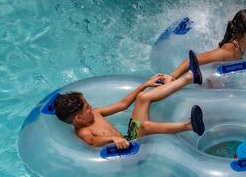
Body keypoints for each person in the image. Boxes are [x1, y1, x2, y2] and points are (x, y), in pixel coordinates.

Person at [55, 51, 204, 149]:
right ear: (78, 118)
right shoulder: (83, 131)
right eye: (87, 107)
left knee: (142, 97)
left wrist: (145, 85)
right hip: (129, 150)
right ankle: (190, 125)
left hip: (131, 136)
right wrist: (112, 139)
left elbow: (122, 105)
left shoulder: (95, 113)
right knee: (145, 127)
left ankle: (190, 77)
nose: (91, 107)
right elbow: (93, 142)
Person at [166, 9, 246, 82]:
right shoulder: (228, 51)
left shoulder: (241, 46)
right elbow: (193, 60)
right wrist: (173, 76)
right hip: (211, 90)